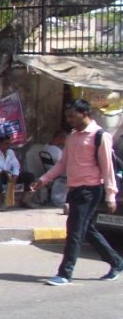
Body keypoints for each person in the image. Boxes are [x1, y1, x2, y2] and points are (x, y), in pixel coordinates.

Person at [31, 99, 123, 286]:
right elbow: (62, 164)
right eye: (68, 116)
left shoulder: (100, 136)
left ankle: (65, 273)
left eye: (73, 115)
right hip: (74, 189)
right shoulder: (72, 136)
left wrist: (111, 195)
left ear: (85, 113)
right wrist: (43, 180)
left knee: (74, 231)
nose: (70, 119)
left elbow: (107, 169)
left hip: (90, 190)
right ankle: (116, 262)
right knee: (86, 230)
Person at [0, 133, 34, 211]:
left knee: (30, 176)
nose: (8, 146)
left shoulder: (10, 152)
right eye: (6, 144)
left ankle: (23, 201)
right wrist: (1, 171)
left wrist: (15, 175)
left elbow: (16, 165)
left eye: (9, 144)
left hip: (8, 176)